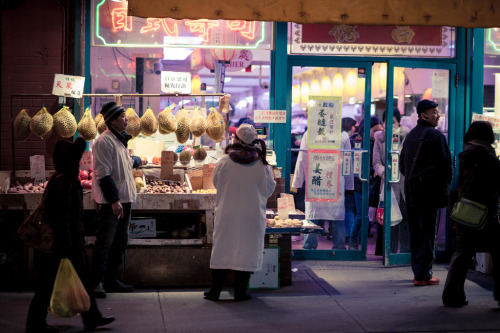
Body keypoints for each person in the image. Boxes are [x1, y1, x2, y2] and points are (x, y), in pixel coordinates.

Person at [26, 138, 114, 332]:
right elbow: (61, 217)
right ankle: (35, 324)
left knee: (83, 279)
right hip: (63, 244)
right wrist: (67, 247)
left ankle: (92, 317)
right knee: (46, 286)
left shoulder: (62, 179)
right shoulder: (64, 183)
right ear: (69, 161)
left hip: (69, 241)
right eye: (75, 159)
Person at [204, 124, 276, 301]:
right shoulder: (263, 166)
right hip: (251, 216)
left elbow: (216, 183)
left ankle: (215, 291)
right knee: (247, 251)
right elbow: (268, 189)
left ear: (236, 140)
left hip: (227, 213)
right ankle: (240, 292)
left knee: (222, 250)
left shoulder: (224, 161)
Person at [442, 121, 500, 307]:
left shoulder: (466, 153)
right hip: (485, 212)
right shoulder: (486, 155)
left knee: (461, 254)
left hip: (465, 211)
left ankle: (452, 296)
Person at [91, 101, 142, 298]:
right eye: (121, 116)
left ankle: (112, 280)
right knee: (105, 242)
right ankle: (97, 283)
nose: (126, 119)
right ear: (111, 121)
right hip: (111, 203)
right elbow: (103, 173)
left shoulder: (119, 140)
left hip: (125, 199)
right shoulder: (103, 142)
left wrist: (138, 160)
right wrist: (114, 200)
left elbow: (125, 162)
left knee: (120, 242)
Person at [400, 99, 452, 286]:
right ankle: (424, 275)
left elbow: (403, 167)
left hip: (412, 193)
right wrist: (444, 187)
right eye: (434, 112)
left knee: (417, 233)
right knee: (428, 233)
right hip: (430, 195)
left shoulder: (411, 136)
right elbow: (446, 167)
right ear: (424, 115)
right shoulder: (436, 136)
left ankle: (418, 272)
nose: (438, 115)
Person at [291, 129, 351, 250]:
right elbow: (347, 162)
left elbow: (302, 159)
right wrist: (349, 185)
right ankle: (339, 247)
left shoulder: (309, 134)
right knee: (337, 216)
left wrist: (297, 182)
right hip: (335, 183)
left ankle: (309, 247)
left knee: (313, 215)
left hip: (315, 182)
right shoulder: (343, 135)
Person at [372, 109, 410, 254]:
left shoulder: (407, 136)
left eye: (393, 122)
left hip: (404, 183)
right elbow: (376, 162)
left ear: (398, 122)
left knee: (406, 220)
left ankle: (406, 252)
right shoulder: (379, 139)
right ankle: (391, 252)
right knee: (391, 221)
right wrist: (384, 173)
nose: (390, 126)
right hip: (388, 184)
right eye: (387, 122)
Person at [349, 116, 384, 250]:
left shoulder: (376, 141)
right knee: (361, 213)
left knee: (367, 213)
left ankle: (358, 242)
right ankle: (353, 242)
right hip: (360, 182)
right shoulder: (358, 140)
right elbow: (356, 164)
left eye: (380, 130)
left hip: (374, 183)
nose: (377, 133)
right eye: (375, 130)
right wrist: (371, 170)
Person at [342, 117, 357, 243]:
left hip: (346, 180)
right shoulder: (345, 138)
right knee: (349, 209)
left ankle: (347, 235)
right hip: (348, 180)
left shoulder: (348, 138)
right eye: (353, 126)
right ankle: (349, 235)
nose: (354, 128)